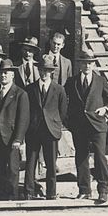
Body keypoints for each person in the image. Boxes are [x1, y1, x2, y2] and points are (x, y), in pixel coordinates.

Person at [66, 50, 108, 204]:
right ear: (79, 64)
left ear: (93, 64)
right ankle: (84, 190)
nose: (87, 66)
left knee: (100, 156)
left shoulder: (100, 81)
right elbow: (63, 100)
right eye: (84, 63)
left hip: (97, 124)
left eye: (90, 63)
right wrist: (67, 120)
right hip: (79, 126)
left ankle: (103, 190)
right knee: (81, 156)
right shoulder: (72, 81)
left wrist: (106, 109)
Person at [25, 55, 68, 200]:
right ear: (38, 70)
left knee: (51, 163)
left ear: (51, 72)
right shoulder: (30, 89)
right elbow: (27, 110)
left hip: (51, 130)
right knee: (31, 162)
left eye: (47, 71)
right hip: (34, 130)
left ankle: (51, 192)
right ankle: (29, 192)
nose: (44, 73)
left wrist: (54, 123)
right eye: (42, 70)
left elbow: (62, 111)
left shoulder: (59, 89)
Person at [0, 58, 29, 200]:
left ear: (13, 75)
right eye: (2, 73)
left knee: (12, 169)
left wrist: (18, 139)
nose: (3, 75)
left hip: (12, 138)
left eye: (7, 73)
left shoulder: (20, 94)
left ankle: (12, 197)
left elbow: (23, 119)